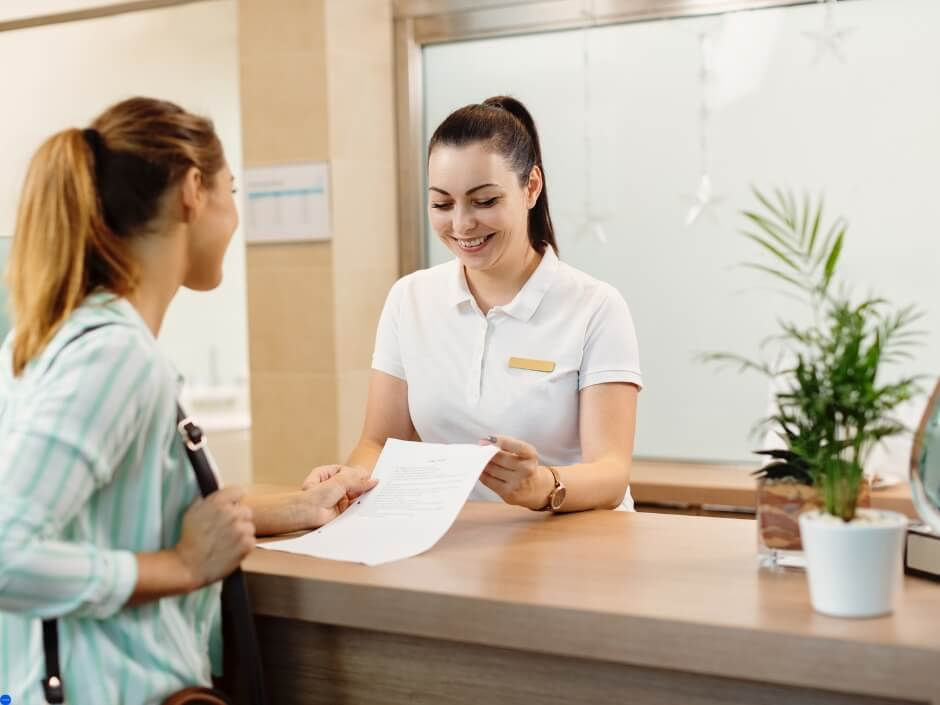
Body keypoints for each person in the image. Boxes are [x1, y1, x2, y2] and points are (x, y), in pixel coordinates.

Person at [0, 97, 374, 704]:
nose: (235, 216)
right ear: (193, 192)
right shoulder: (113, 357)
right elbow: (6, 554)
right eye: (231, 190)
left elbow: (116, 515)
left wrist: (297, 508)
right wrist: (181, 567)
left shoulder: (50, 337)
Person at [304, 96, 641, 513]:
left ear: (531, 187)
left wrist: (542, 486)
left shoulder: (595, 307)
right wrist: (347, 481)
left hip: (575, 542)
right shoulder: (409, 299)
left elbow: (610, 471)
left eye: (484, 201)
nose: (462, 225)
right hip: (456, 542)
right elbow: (379, 443)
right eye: (442, 204)